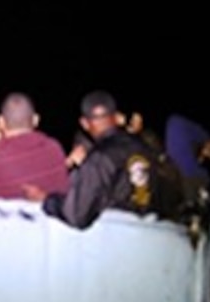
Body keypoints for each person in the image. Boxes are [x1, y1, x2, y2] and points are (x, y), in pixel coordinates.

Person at [24, 90, 166, 230]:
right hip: (149, 233)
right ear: (116, 117)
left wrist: (46, 200)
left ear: (85, 123)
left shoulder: (99, 158)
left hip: (118, 238)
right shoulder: (145, 149)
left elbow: (76, 215)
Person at [164, 113, 210, 208]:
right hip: (180, 161)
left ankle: (194, 202)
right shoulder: (180, 126)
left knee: (193, 175)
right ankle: (193, 203)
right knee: (193, 175)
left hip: (181, 161)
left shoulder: (193, 142)